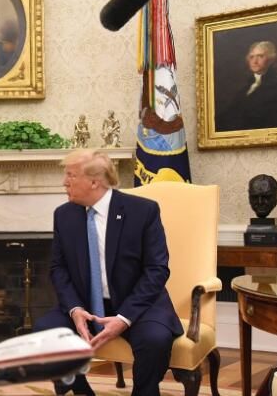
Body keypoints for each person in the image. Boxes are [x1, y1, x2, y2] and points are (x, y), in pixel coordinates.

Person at [34, 149, 183, 396]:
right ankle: (80, 391)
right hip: (85, 305)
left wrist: (124, 318)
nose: (64, 182)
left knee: (155, 339)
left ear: (94, 182)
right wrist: (75, 309)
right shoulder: (64, 215)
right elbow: (58, 268)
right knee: (45, 332)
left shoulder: (142, 211)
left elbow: (156, 269)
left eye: (71, 175)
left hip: (137, 304)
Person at [216, 41, 277, 132]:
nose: (254, 61)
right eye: (251, 57)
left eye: (260, 56)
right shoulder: (244, 90)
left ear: (271, 60)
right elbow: (228, 116)